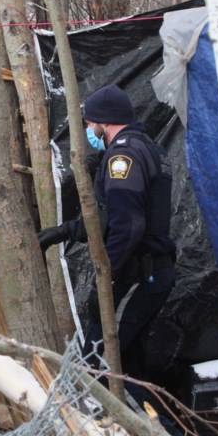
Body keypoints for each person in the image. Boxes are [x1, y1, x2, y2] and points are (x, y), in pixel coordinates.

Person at [38, 85, 177, 377]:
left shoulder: (123, 157)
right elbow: (113, 216)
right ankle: (143, 423)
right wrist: (64, 232)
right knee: (127, 369)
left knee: (99, 369)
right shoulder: (146, 147)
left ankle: (114, 423)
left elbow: (128, 225)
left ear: (105, 122)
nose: (90, 129)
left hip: (137, 276)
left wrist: (106, 275)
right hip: (149, 272)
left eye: (90, 123)